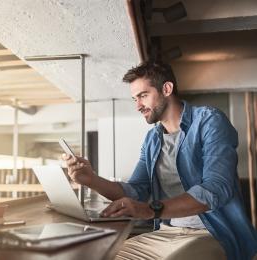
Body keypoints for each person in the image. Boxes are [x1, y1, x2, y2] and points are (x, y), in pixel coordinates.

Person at [63, 61, 257, 260]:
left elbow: (216, 188)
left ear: (166, 88)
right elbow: (136, 190)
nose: (138, 105)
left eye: (143, 96)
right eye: (135, 99)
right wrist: (91, 180)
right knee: (99, 256)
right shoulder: (152, 140)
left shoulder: (209, 121)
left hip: (211, 233)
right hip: (165, 233)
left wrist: (149, 210)